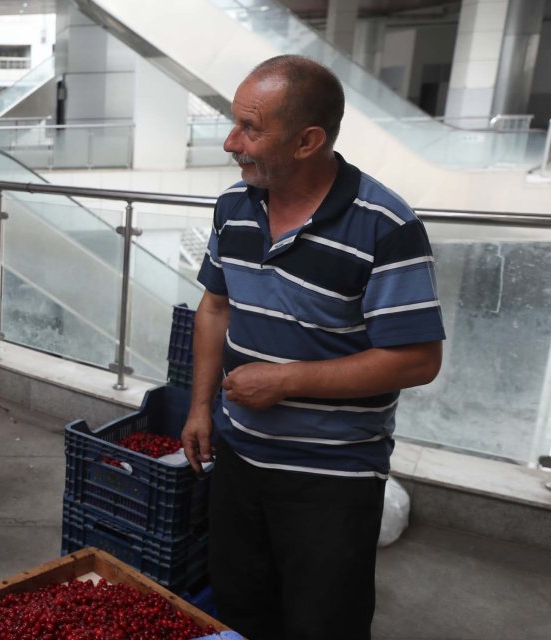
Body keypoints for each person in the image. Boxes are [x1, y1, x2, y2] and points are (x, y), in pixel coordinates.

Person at [180, 55, 445, 640]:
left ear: (308, 140)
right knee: (240, 609)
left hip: (334, 479)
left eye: (250, 129)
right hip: (240, 461)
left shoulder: (385, 225)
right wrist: (201, 408)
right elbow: (215, 307)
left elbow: (419, 360)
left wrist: (283, 380)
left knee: (323, 624)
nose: (231, 142)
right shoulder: (234, 207)